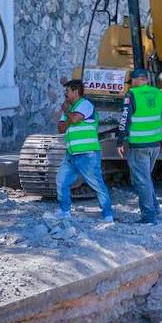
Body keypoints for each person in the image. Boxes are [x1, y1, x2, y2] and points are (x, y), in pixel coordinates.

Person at [116, 69, 162, 224]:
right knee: (145, 178)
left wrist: (120, 141)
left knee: (142, 180)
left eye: (131, 82)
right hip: (155, 144)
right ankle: (155, 208)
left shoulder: (132, 95)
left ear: (134, 80)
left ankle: (148, 217)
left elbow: (124, 119)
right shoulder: (159, 93)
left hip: (138, 145)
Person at [55, 79, 114, 223]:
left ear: (76, 92)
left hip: (87, 153)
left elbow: (74, 120)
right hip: (71, 153)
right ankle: (65, 211)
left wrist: (67, 112)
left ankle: (108, 215)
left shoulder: (86, 105)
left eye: (67, 91)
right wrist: (69, 115)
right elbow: (61, 128)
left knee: (96, 184)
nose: (65, 94)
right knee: (61, 181)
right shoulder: (70, 108)